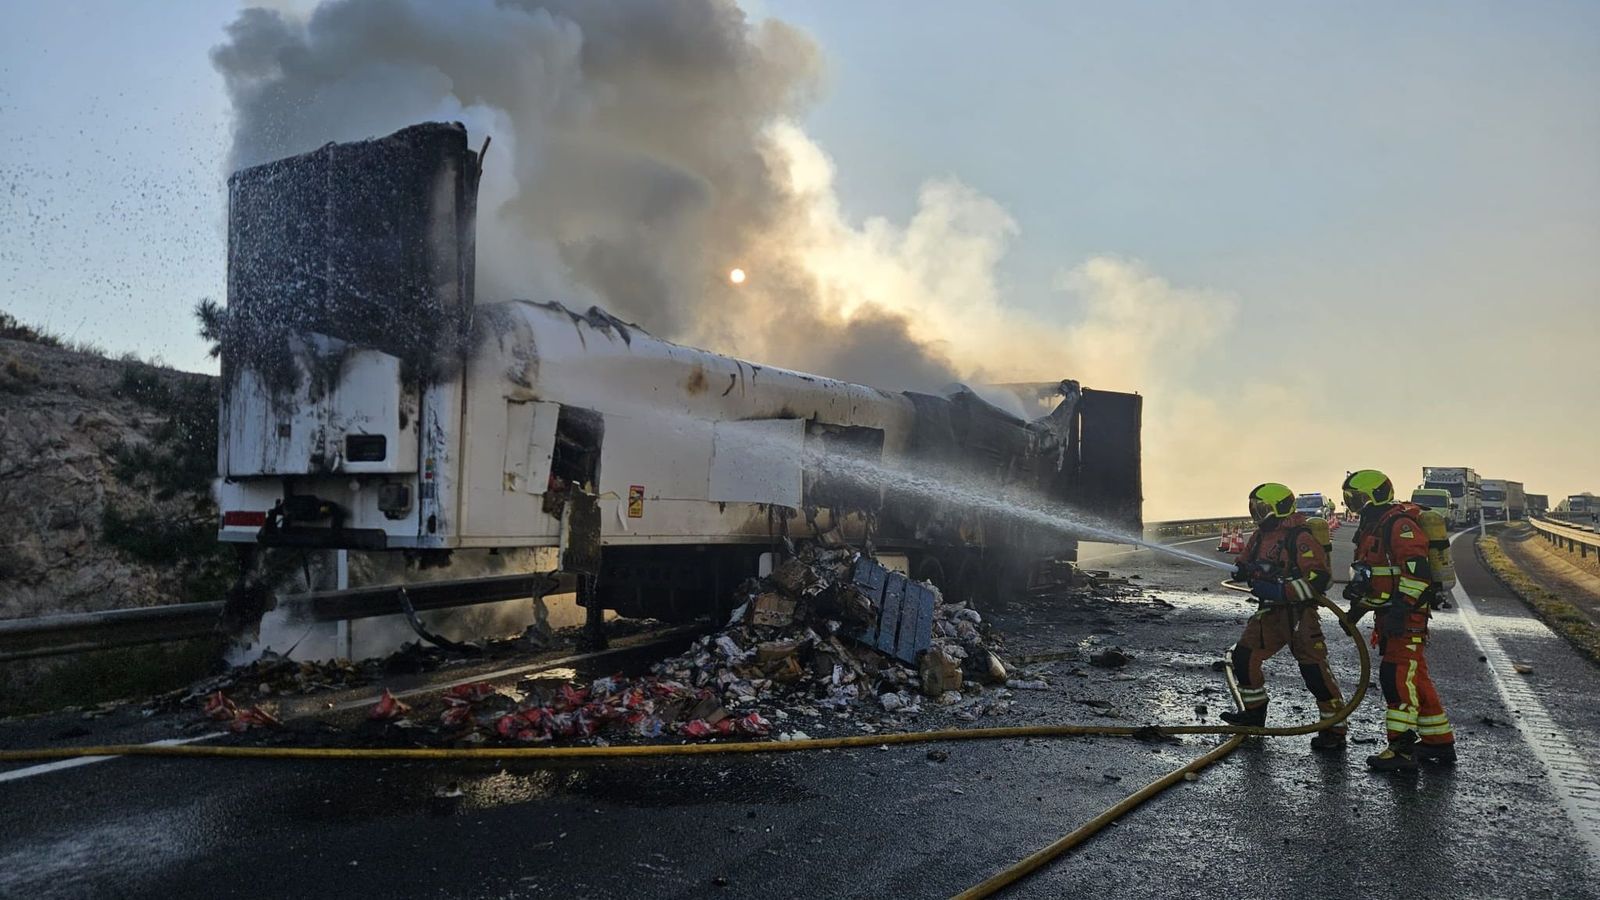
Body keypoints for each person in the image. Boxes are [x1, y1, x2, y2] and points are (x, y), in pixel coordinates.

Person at [1342, 469, 1456, 771]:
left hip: (1407, 615)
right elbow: (1375, 578)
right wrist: (1356, 611)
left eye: (1357, 499)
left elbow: (1417, 574)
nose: (1353, 505)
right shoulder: (1373, 526)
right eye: (1349, 499)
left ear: (1376, 496)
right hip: (1391, 614)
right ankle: (1438, 741)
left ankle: (1402, 749)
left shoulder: (1399, 525)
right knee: (1415, 677)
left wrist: (1401, 609)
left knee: (1396, 676)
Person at [1222, 482, 1347, 750]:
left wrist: (1282, 590)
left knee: (1313, 672)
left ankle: (1334, 729)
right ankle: (1254, 714)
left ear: (1279, 508)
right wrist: (1242, 569)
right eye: (1254, 508)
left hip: (1299, 615)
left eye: (1262, 508)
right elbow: (1245, 560)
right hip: (1270, 613)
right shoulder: (1260, 536)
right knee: (1243, 657)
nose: (1256, 513)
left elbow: (1319, 579)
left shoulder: (1299, 538)